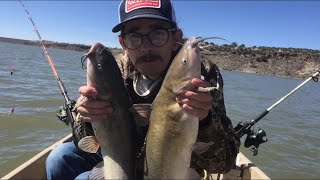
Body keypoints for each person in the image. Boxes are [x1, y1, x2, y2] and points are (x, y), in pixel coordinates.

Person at [46, 0, 240, 179]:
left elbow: (223, 163)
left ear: (176, 38)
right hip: (123, 162)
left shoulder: (199, 74)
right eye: (134, 36)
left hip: (174, 170)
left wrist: (204, 121)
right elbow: (83, 141)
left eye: (157, 33)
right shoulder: (116, 71)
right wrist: (88, 119)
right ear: (123, 43)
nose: (146, 46)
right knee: (59, 158)